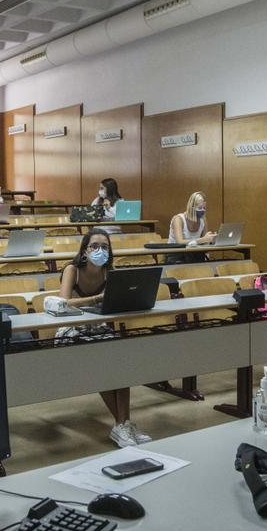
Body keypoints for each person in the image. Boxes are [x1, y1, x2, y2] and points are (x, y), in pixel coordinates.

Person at [54, 229, 151, 448]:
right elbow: (63, 303)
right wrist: (97, 298)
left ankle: (123, 424)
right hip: (72, 329)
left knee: (120, 363)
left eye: (105, 246)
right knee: (101, 363)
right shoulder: (73, 269)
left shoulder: (109, 272)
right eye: (94, 246)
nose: (100, 250)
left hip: (98, 327)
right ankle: (122, 425)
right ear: (85, 251)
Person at [166, 190, 216, 264]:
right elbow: (179, 242)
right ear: (191, 207)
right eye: (200, 208)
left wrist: (211, 240)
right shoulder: (178, 219)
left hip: (195, 254)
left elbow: (205, 241)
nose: (202, 210)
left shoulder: (203, 220)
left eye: (204, 208)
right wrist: (202, 240)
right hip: (176, 255)